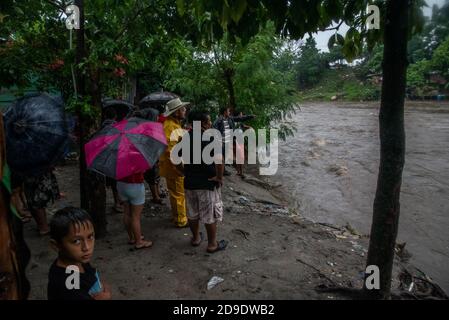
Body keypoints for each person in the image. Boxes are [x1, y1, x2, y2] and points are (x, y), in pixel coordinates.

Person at [183, 111, 227, 253]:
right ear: (202, 123)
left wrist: (183, 172)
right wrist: (219, 178)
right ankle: (212, 244)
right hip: (207, 183)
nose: (210, 124)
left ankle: (196, 238)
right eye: (208, 121)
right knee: (209, 215)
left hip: (190, 182)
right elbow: (220, 162)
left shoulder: (185, 137)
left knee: (192, 213)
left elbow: (175, 160)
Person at [48, 207, 111, 300]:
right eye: (76, 241)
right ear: (56, 245)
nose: (86, 247)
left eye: (90, 237)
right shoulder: (68, 286)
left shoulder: (76, 260)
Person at [159, 98, 189, 228]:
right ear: (176, 112)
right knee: (178, 194)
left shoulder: (172, 124)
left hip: (171, 166)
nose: (185, 110)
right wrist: (181, 168)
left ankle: (177, 216)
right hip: (174, 168)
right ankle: (181, 220)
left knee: (175, 193)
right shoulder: (171, 126)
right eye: (182, 109)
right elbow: (171, 151)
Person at [133, 108, 164, 205]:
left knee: (156, 175)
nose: (158, 117)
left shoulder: (150, 127)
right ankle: (155, 196)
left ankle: (157, 192)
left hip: (154, 154)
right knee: (152, 176)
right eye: (157, 116)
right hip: (149, 156)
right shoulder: (147, 128)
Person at [213, 106, 254, 176]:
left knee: (225, 156)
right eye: (228, 111)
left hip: (229, 141)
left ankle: (224, 170)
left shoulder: (230, 119)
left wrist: (250, 116)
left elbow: (240, 118)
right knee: (221, 156)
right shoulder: (218, 120)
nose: (229, 113)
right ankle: (221, 171)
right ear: (224, 112)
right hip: (222, 141)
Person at [117, 171, 153, 249]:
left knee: (126, 213)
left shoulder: (119, 159)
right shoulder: (137, 159)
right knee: (135, 216)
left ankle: (132, 237)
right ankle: (139, 241)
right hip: (135, 185)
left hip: (121, 185)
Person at [23, 170, 60, 236]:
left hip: (27, 171)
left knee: (32, 198)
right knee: (39, 200)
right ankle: (44, 228)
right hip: (38, 169)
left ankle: (41, 225)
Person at [102, 108, 123, 213]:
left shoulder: (102, 127)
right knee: (116, 182)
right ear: (115, 116)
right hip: (115, 157)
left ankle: (117, 201)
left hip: (105, 158)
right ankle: (117, 203)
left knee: (112, 181)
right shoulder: (117, 127)